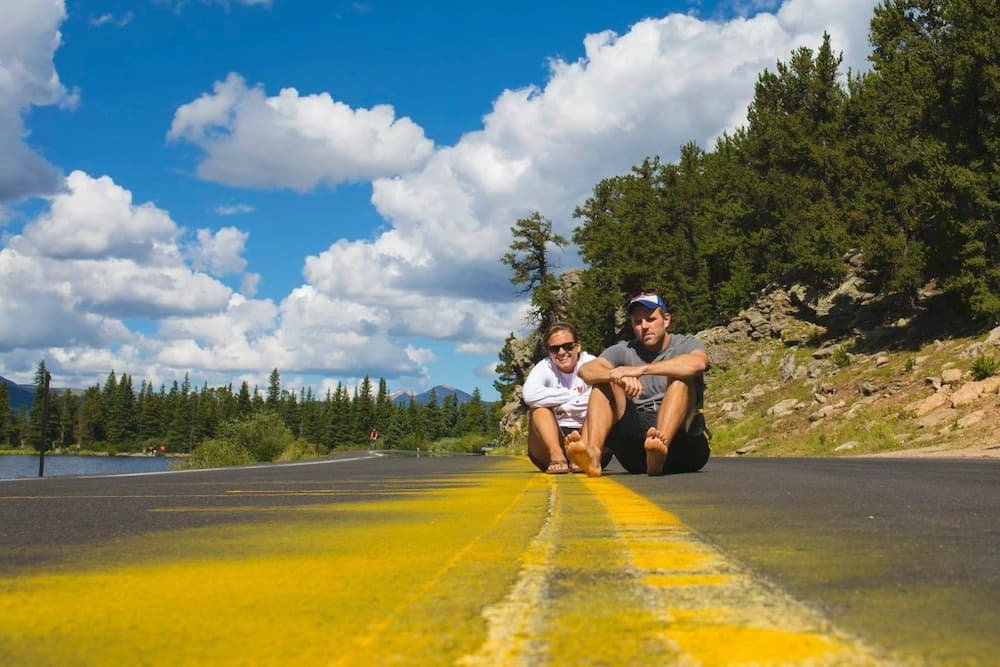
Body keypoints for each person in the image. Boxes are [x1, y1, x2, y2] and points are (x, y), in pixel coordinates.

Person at [566, 289, 710, 477]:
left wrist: (640, 370)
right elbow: (586, 370)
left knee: (680, 377)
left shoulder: (686, 343)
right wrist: (616, 375)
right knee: (603, 382)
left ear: (666, 320)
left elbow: (698, 363)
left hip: (685, 445)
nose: (644, 326)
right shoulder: (624, 350)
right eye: (637, 322)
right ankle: (593, 454)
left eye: (650, 319)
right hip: (639, 445)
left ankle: (660, 449)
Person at [522, 322, 606, 474]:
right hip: (554, 438)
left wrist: (556, 401)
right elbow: (529, 395)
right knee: (538, 409)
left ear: (578, 346)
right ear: (549, 352)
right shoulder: (545, 367)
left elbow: (606, 393)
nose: (561, 352)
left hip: (587, 433)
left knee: (602, 397)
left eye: (568, 346)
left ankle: (583, 455)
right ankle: (557, 455)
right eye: (554, 349)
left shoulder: (590, 362)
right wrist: (576, 395)